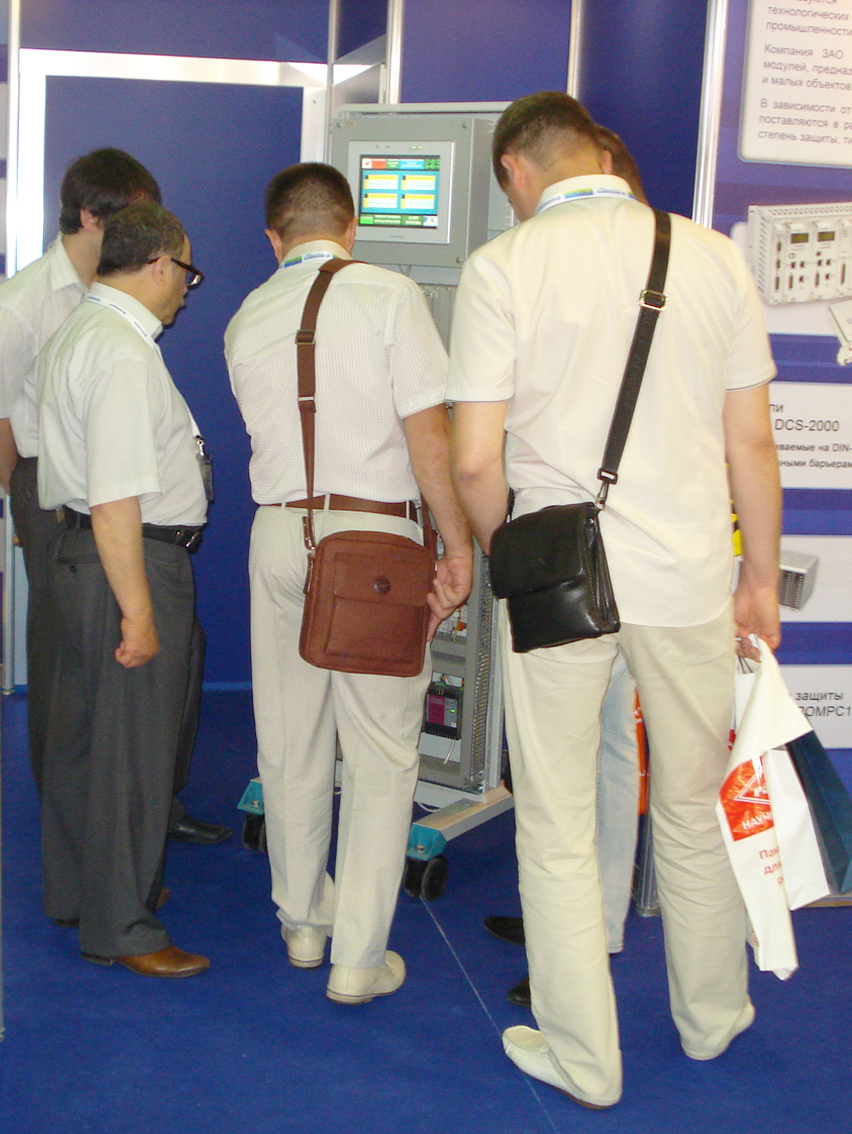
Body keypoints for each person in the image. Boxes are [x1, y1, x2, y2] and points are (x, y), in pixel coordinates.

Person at [448, 92, 780, 1108]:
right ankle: (712, 1017)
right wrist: (760, 581)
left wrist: (504, 546)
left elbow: (474, 459)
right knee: (691, 805)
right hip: (688, 579)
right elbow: (752, 443)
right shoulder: (713, 256)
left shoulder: (503, 267)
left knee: (556, 822)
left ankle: (583, 1059)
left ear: (516, 170)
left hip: (558, 578)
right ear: (598, 153)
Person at [226, 162, 473, 1004]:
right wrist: (458, 545)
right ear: (351, 225)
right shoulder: (391, 296)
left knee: (288, 737)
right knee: (380, 753)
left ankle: (302, 923)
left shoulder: (245, 317)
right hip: (374, 545)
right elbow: (428, 436)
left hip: (276, 535)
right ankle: (358, 960)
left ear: (274, 237)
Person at [0, 146, 229, 846]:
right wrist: (22, 508)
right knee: (70, 660)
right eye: (131, 217)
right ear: (91, 217)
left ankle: (149, 801)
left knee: (167, 654)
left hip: (110, 487)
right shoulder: (23, 303)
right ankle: (76, 813)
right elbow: (2, 417)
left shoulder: (114, 308)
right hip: (52, 485)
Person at [485, 125, 650, 1005]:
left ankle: (582, 941)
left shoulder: (525, 266)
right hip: (617, 550)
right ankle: (580, 921)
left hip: (576, 549)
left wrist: (497, 544)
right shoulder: (652, 269)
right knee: (588, 750)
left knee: (582, 756)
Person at [36, 201, 212, 977]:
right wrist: (139, 614)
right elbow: (116, 497)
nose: (186, 292)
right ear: (160, 264)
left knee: (83, 742)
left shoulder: (83, 328)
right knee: (134, 750)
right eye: (187, 275)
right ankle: (125, 926)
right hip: (128, 563)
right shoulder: (119, 350)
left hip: (83, 558)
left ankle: (84, 890)